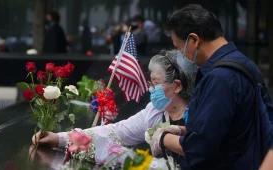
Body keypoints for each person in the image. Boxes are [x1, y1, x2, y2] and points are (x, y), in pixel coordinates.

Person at [148, 4, 273, 170]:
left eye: (179, 48)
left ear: (194, 39)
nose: (181, 56)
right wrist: (185, 131)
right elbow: (226, 130)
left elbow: (200, 148)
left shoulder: (221, 78)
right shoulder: (245, 64)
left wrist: (163, 138)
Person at [32, 50, 195, 169]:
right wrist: (59, 138)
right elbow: (116, 132)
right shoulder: (155, 111)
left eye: (155, 83)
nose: (150, 89)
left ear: (177, 86)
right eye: (150, 83)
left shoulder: (199, 114)